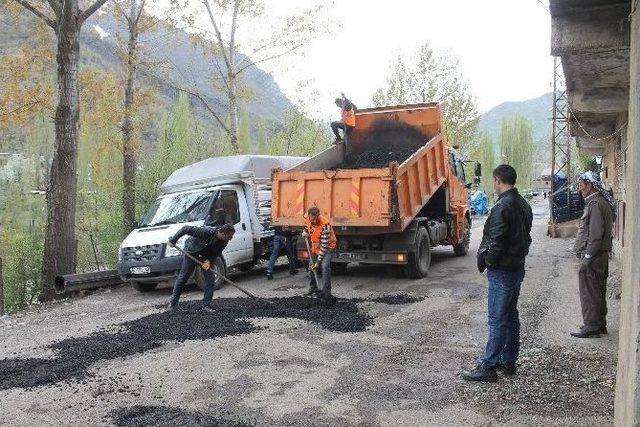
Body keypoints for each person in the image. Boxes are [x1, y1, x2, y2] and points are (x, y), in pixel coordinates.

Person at [463, 164, 533, 382]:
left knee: (497, 319)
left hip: (502, 270)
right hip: (516, 268)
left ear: (498, 180)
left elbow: (496, 241)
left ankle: (489, 366)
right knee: (511, 316)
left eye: (494, 181)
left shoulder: (503, 206)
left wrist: (489, 262)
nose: (494, 185)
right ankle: (508, 361)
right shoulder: (523, 204)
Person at [570, 171, 614, 338]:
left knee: (589, 291)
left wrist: (587, 257)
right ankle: (599, 324)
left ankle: (591, 327)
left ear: (589, 185)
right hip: (600, 254)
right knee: (598, 289)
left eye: (581, 185)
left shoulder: (595, 204)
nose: (580, 189)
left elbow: (595, 234)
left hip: (594, 255)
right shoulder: (600, 202)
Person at [167, 223, 236, 311]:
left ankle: (206, 305)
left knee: (210, 279)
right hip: (192, 252)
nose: (231, 239)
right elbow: (185, 229)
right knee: (183, 278)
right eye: (230, 236)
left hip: (205, 257)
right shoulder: (206, 232)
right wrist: (173, 240)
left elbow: (216, 253)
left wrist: (209, 261)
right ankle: (173, 304)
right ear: (223, 234)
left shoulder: (224, 242)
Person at [302, 206, 337, 303]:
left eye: (315, 219)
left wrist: (318, 262)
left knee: (324, 267)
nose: (313, 221)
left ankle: (326, 293)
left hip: (328, 247)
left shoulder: (325, 225)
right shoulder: (307, 218)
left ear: (318, 216)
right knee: (311, 267)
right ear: (309, 216)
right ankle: (313, 288)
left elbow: (324, 247)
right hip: (315, 247)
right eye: (312, 219)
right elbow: (307, 226)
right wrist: (305, 232)